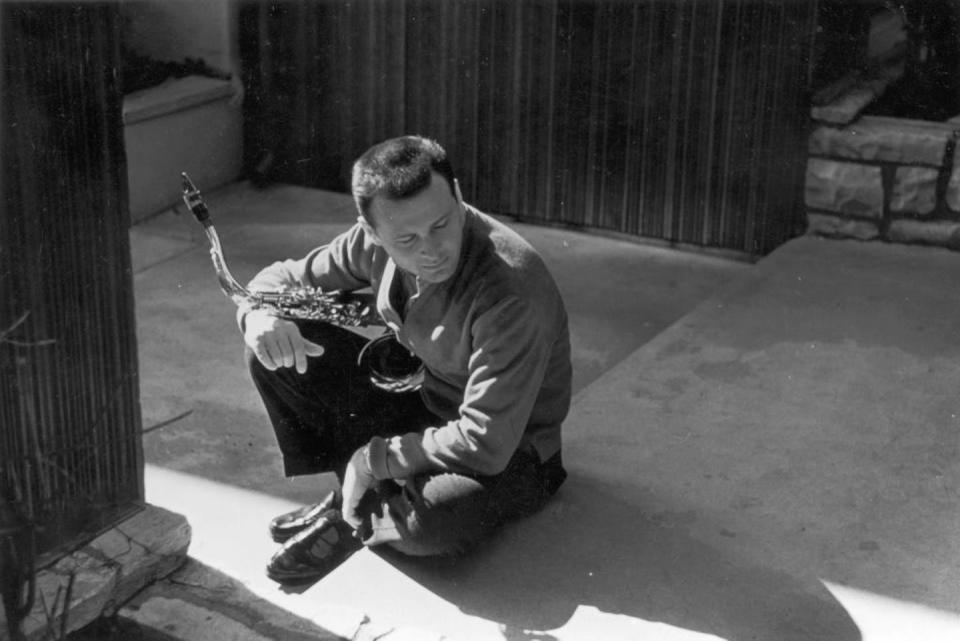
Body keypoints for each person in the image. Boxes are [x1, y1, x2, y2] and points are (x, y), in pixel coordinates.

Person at [241, 135, 571, 583]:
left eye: (442, 224)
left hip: (514, 452)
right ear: (371, 230)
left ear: (457, 195)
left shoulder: (510, 291)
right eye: (407, 239)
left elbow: (486, 442)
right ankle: (362, 501)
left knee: (431, 526)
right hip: (427, 409)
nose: (431, 250)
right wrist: (257, 316)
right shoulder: (371, 240)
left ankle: (355, 512)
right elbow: (278, 279)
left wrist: (370, 460)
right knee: (272, 353)